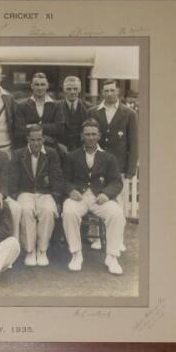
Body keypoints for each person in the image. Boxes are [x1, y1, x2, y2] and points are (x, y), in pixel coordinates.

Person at [61, 118, 126, 275]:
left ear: (99, 136)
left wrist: (106, 194)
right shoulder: (72, 156)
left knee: (116, 213)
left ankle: (112, 256)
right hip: (79, 197)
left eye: (93, 134)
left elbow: (117, 182)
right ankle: (76, 254)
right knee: (69, 212)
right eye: (87, 134)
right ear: (82, 136)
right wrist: (71, 191)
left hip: (99, 198)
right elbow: (63, 180)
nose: (90, 137)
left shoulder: (109, 157)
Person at [10, 124, 63, 266]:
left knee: (48, 210)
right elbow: (13, 177)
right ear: (28, 139)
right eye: (33, 140)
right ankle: (30, 250)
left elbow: (57, 177)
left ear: (43, 139)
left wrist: (57, 199)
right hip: (25, 191)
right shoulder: (18, 154)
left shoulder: (51, 153)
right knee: (26, 210)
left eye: (39, 139)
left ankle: (42, 250)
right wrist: (14, 197)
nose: (36, 143)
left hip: (45, 192)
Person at [88, 79, 138, 212]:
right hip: (97, 166)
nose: (109, 93)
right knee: (97, 202)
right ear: (101, 93)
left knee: (118, 204)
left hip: (119, 167)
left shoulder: (129, 114)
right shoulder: (93, 112)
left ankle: (117, 232)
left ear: (118, 91)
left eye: (112, 90)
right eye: (106, 91)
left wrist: (131, 169)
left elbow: (133, 143)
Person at [15, 72, 64, 149]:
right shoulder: (22, 105)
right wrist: (48, 129)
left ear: (47, 86)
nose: (40, 88)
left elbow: (59, 128)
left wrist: (36, 126)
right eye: (36, 85)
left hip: (51, 148)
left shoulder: (56, 105)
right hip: (28, 148)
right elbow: (20, 130)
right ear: (32, 86)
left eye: (42, 84)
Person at [59, 76, 91, 151]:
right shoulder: (55, 107)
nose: (72, 92)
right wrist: (58, 145)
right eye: (69, 89)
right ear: (64, 90)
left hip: (82, 151)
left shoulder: (89, 108)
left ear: (79, 89)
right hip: (61, 151)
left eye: (75, 89)